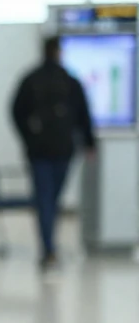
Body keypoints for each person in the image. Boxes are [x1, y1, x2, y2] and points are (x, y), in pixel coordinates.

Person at [10, 36, 96, 270]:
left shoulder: (31, 80)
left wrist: (28, 137)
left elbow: (16, 112)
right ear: (58, 52)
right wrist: (89, 143)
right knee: (52, 199)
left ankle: (48, 248)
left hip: (38, 150)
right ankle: (49, 247)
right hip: (62, 149)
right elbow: (83, 115)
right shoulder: (69, 81)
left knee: (44, 199)